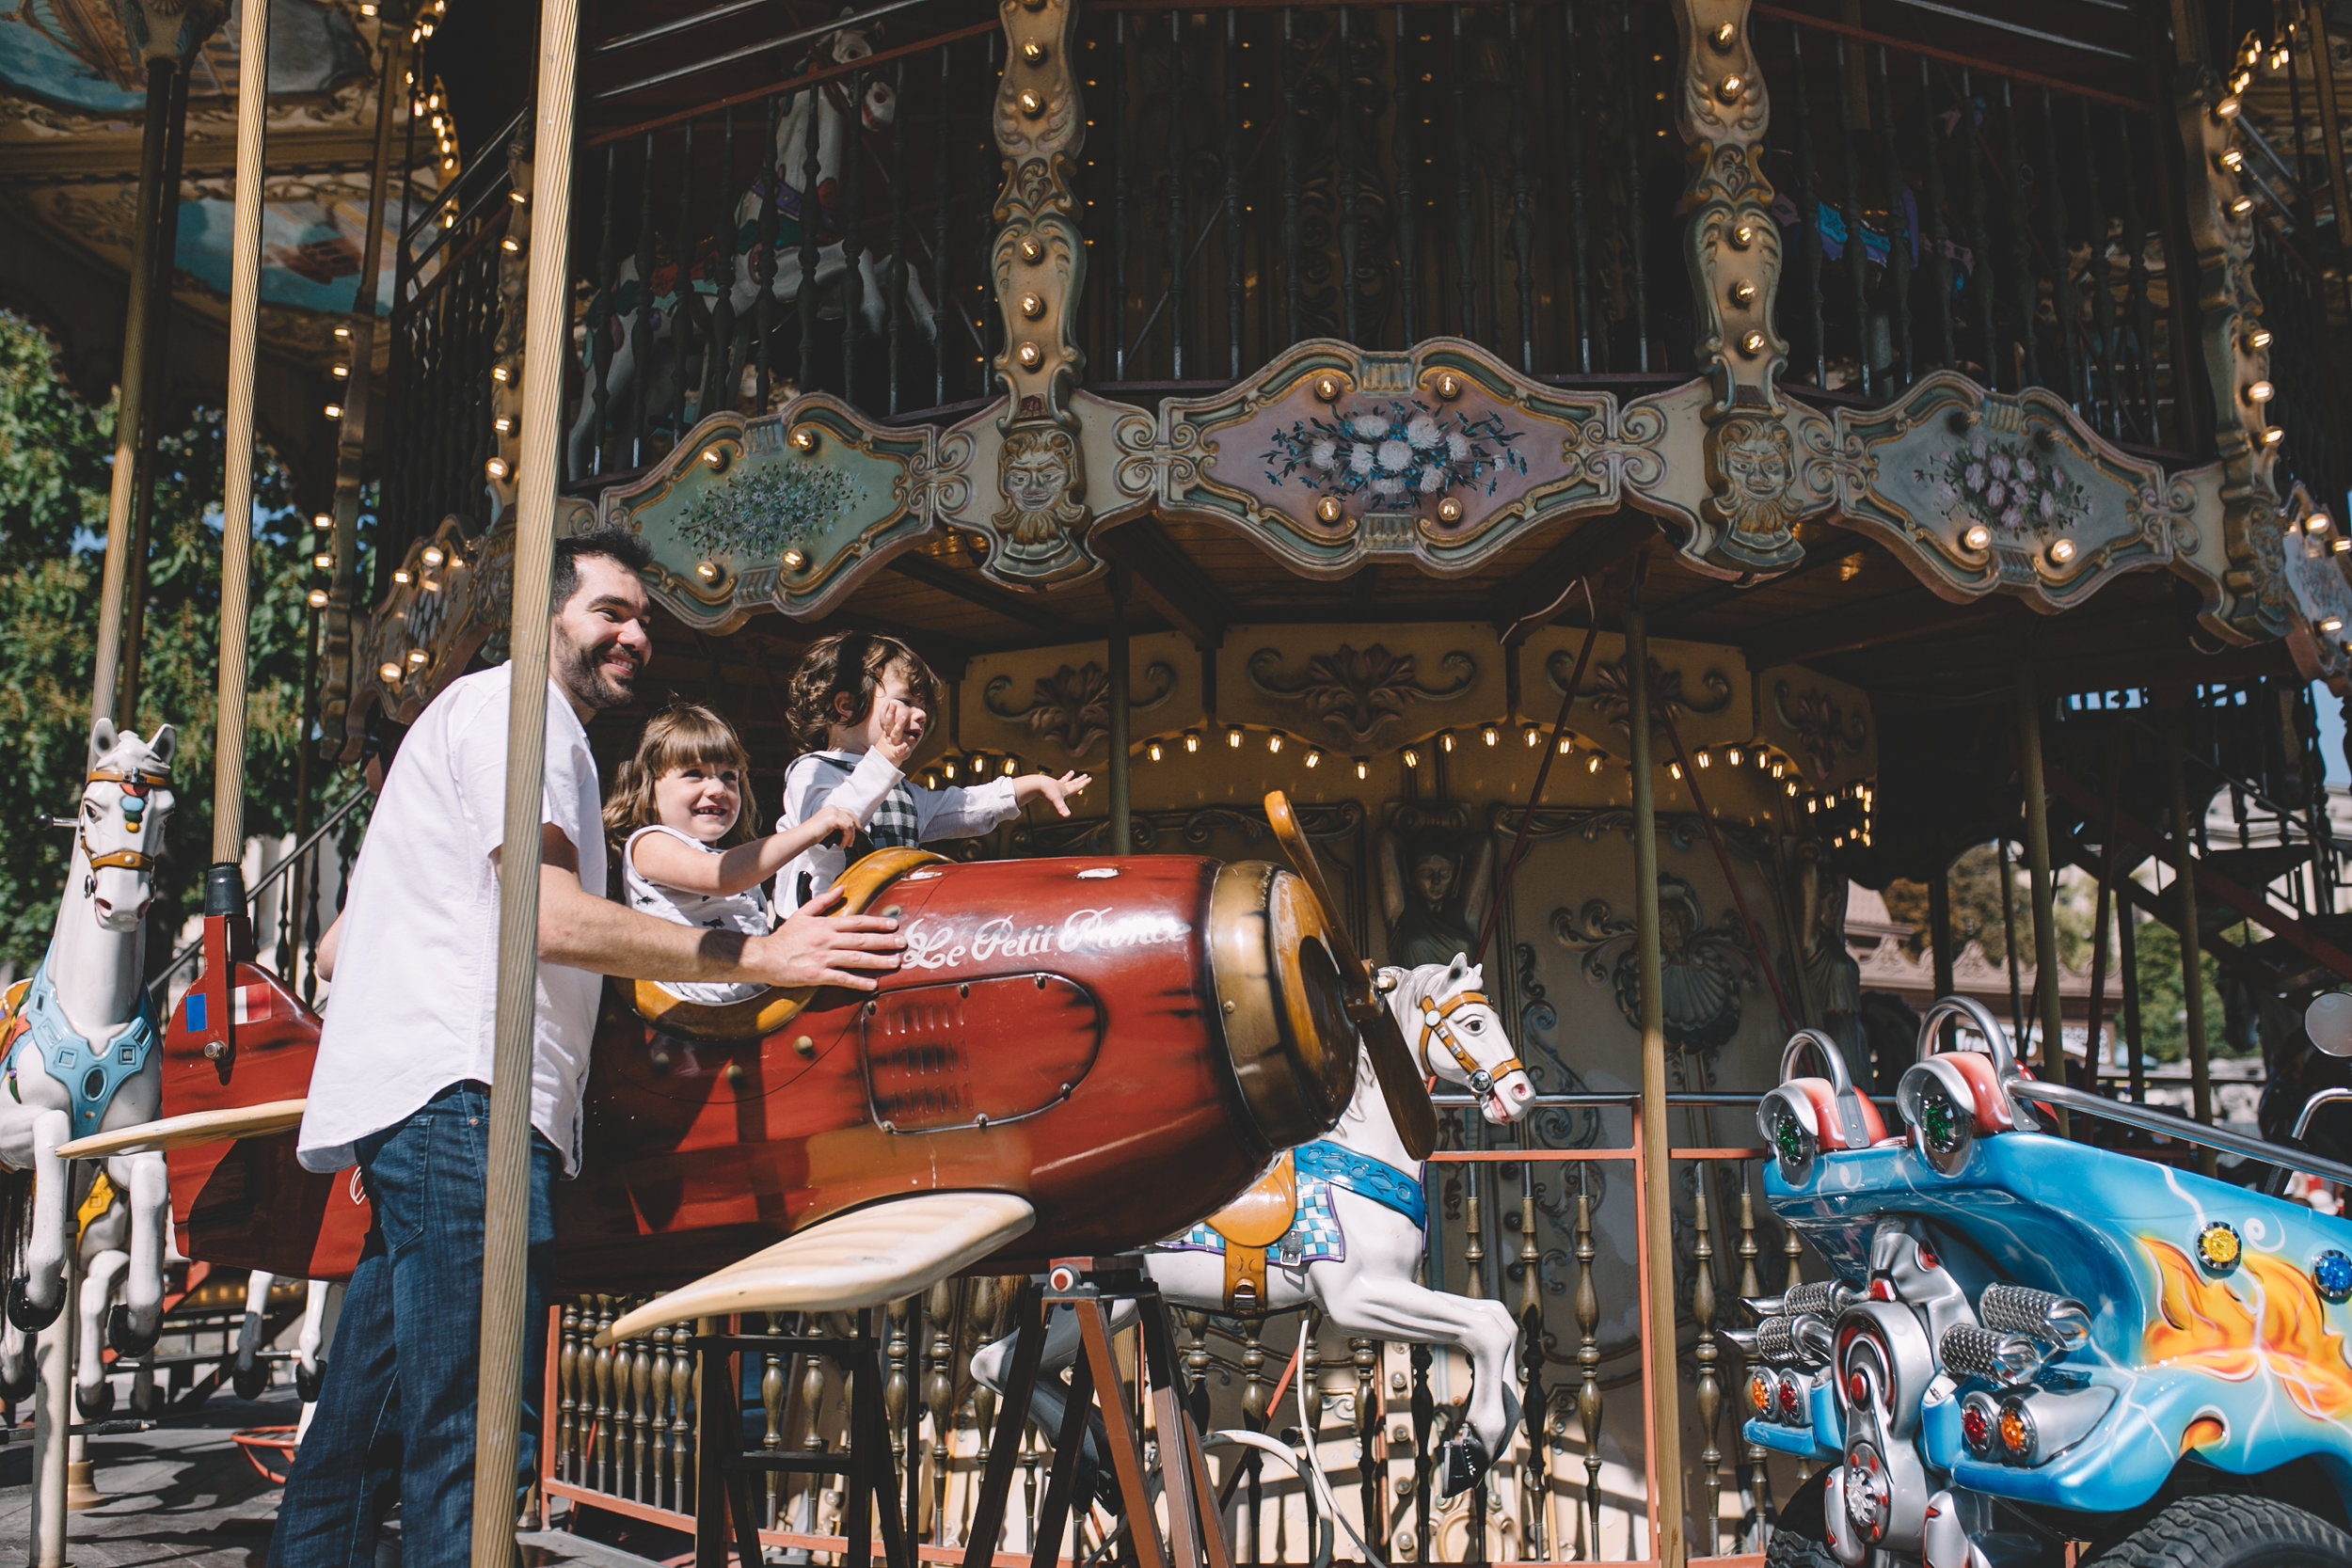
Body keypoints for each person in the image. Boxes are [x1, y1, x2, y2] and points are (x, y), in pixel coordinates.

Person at [272, 529, 905, 1568]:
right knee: (474, 1439)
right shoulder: (522, 717)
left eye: (644, 617)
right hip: (466, 1093)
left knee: (363, 1435)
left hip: (431, 1095)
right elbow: (550, 918)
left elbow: (352, 941)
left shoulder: (491, 724)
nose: (635, 633)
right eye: (610, 609)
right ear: (543, 613)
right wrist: (765, 957)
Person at [771, 630, 1090, 915]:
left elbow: (964, 806)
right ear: (846, 705)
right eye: (906, 701)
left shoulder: (899, 790)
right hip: (822, 928)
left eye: (922, 705)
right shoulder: (811, 772)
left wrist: (1032, 784)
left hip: (882, 919)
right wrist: (883, 760)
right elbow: (827, 828)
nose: (920, 715)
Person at [604, 702, 858, 1004]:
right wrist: (809, 830)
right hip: (689, 1016)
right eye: (695, 774)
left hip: (742, 1002)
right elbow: (720, 876)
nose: (716, 789)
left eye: (729, 776)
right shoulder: (649, 843)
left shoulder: (729, 858)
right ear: (647, 786)